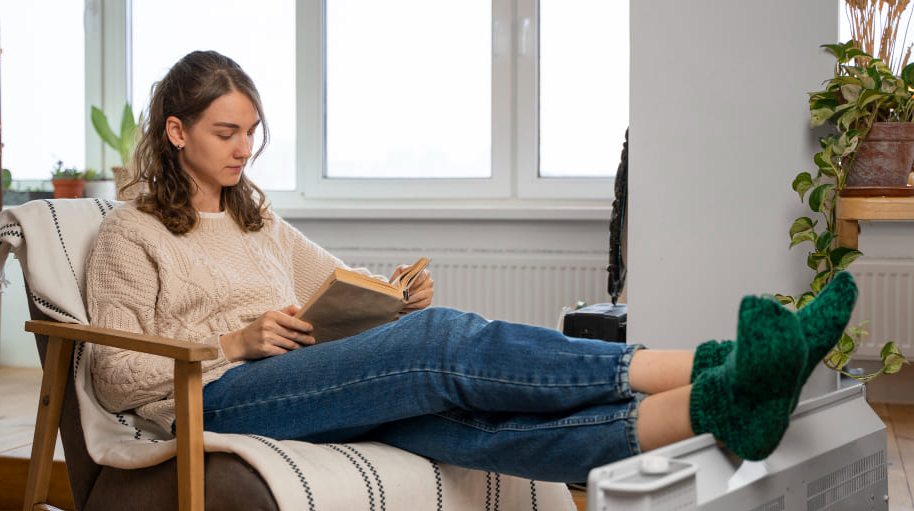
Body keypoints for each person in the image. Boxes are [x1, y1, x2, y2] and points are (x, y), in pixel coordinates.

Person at [85, 50, 858, 483]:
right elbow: (114, 376)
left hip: (294, 385)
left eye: (252, 131)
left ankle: (718, 404)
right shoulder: (131, 232)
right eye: (226, 132)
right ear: (177, 131)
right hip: (212, 403)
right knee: (445, 342)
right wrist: (236, 342)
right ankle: (717, 359)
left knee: (469, 428)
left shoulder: (257, 219)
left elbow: (338, 292)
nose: (244, 148)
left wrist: (392, 297)